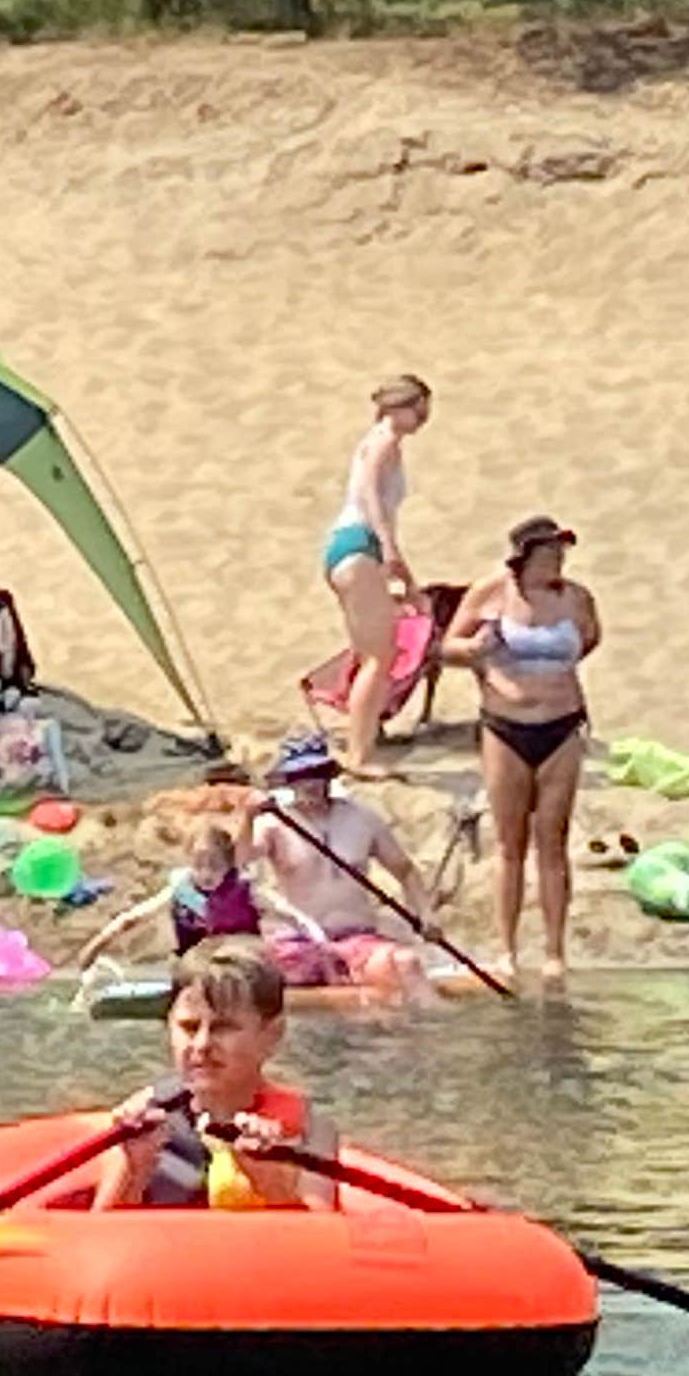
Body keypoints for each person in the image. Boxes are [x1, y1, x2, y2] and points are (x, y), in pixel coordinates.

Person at [88, 938, 341, 1212]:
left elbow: (318, 1240)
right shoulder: (139, 1119)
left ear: (272, 1034)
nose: (202, 1045)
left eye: (224, 1028)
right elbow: (98, 1238)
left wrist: (271, 1184)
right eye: (189, 1026)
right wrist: (133, 1173)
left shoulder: (310, 1130)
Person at [450, 513, 598, 980]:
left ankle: (555, 951)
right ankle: (507, 949)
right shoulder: (491, 593)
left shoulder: (576, 598)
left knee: (552, 839)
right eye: (548, 552)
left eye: (560, 552)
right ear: (523, 557)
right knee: (509, 842)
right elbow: (446, 645)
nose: (556, 560)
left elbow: (589, 640)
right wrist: (477, 655)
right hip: (505, 726)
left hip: (562, 724)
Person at [249, 733, 430, 987]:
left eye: (316, 773)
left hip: (357, 936)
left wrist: (425, 914)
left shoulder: (362, 818)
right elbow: (238, 860)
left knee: (406, 964)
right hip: (298, 942)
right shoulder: (272, 825)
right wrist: (247, 817)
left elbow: (405, 871)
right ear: (288, 782)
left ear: (328, 776)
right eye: (300, 777)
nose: (310, 784)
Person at [321, 374, 430, 772]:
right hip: (360, 544)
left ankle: (362, 741)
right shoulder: (383, 441)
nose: (423, 416)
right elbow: (369, 494)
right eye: (418, 407)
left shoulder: (379, 441)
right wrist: (388, 548)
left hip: (350, 545)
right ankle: (360, 755)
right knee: (378, 657)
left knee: (372, 651)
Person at [71, 818, 268, 974]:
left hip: (238, 968)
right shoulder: (183, 888)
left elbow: (280, 909)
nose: (206, 874)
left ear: (230, 864)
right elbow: (134, 917)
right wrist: (97, 943)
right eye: (198, 866)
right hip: (196, 967)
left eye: (215, 866)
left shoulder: (242, 888)